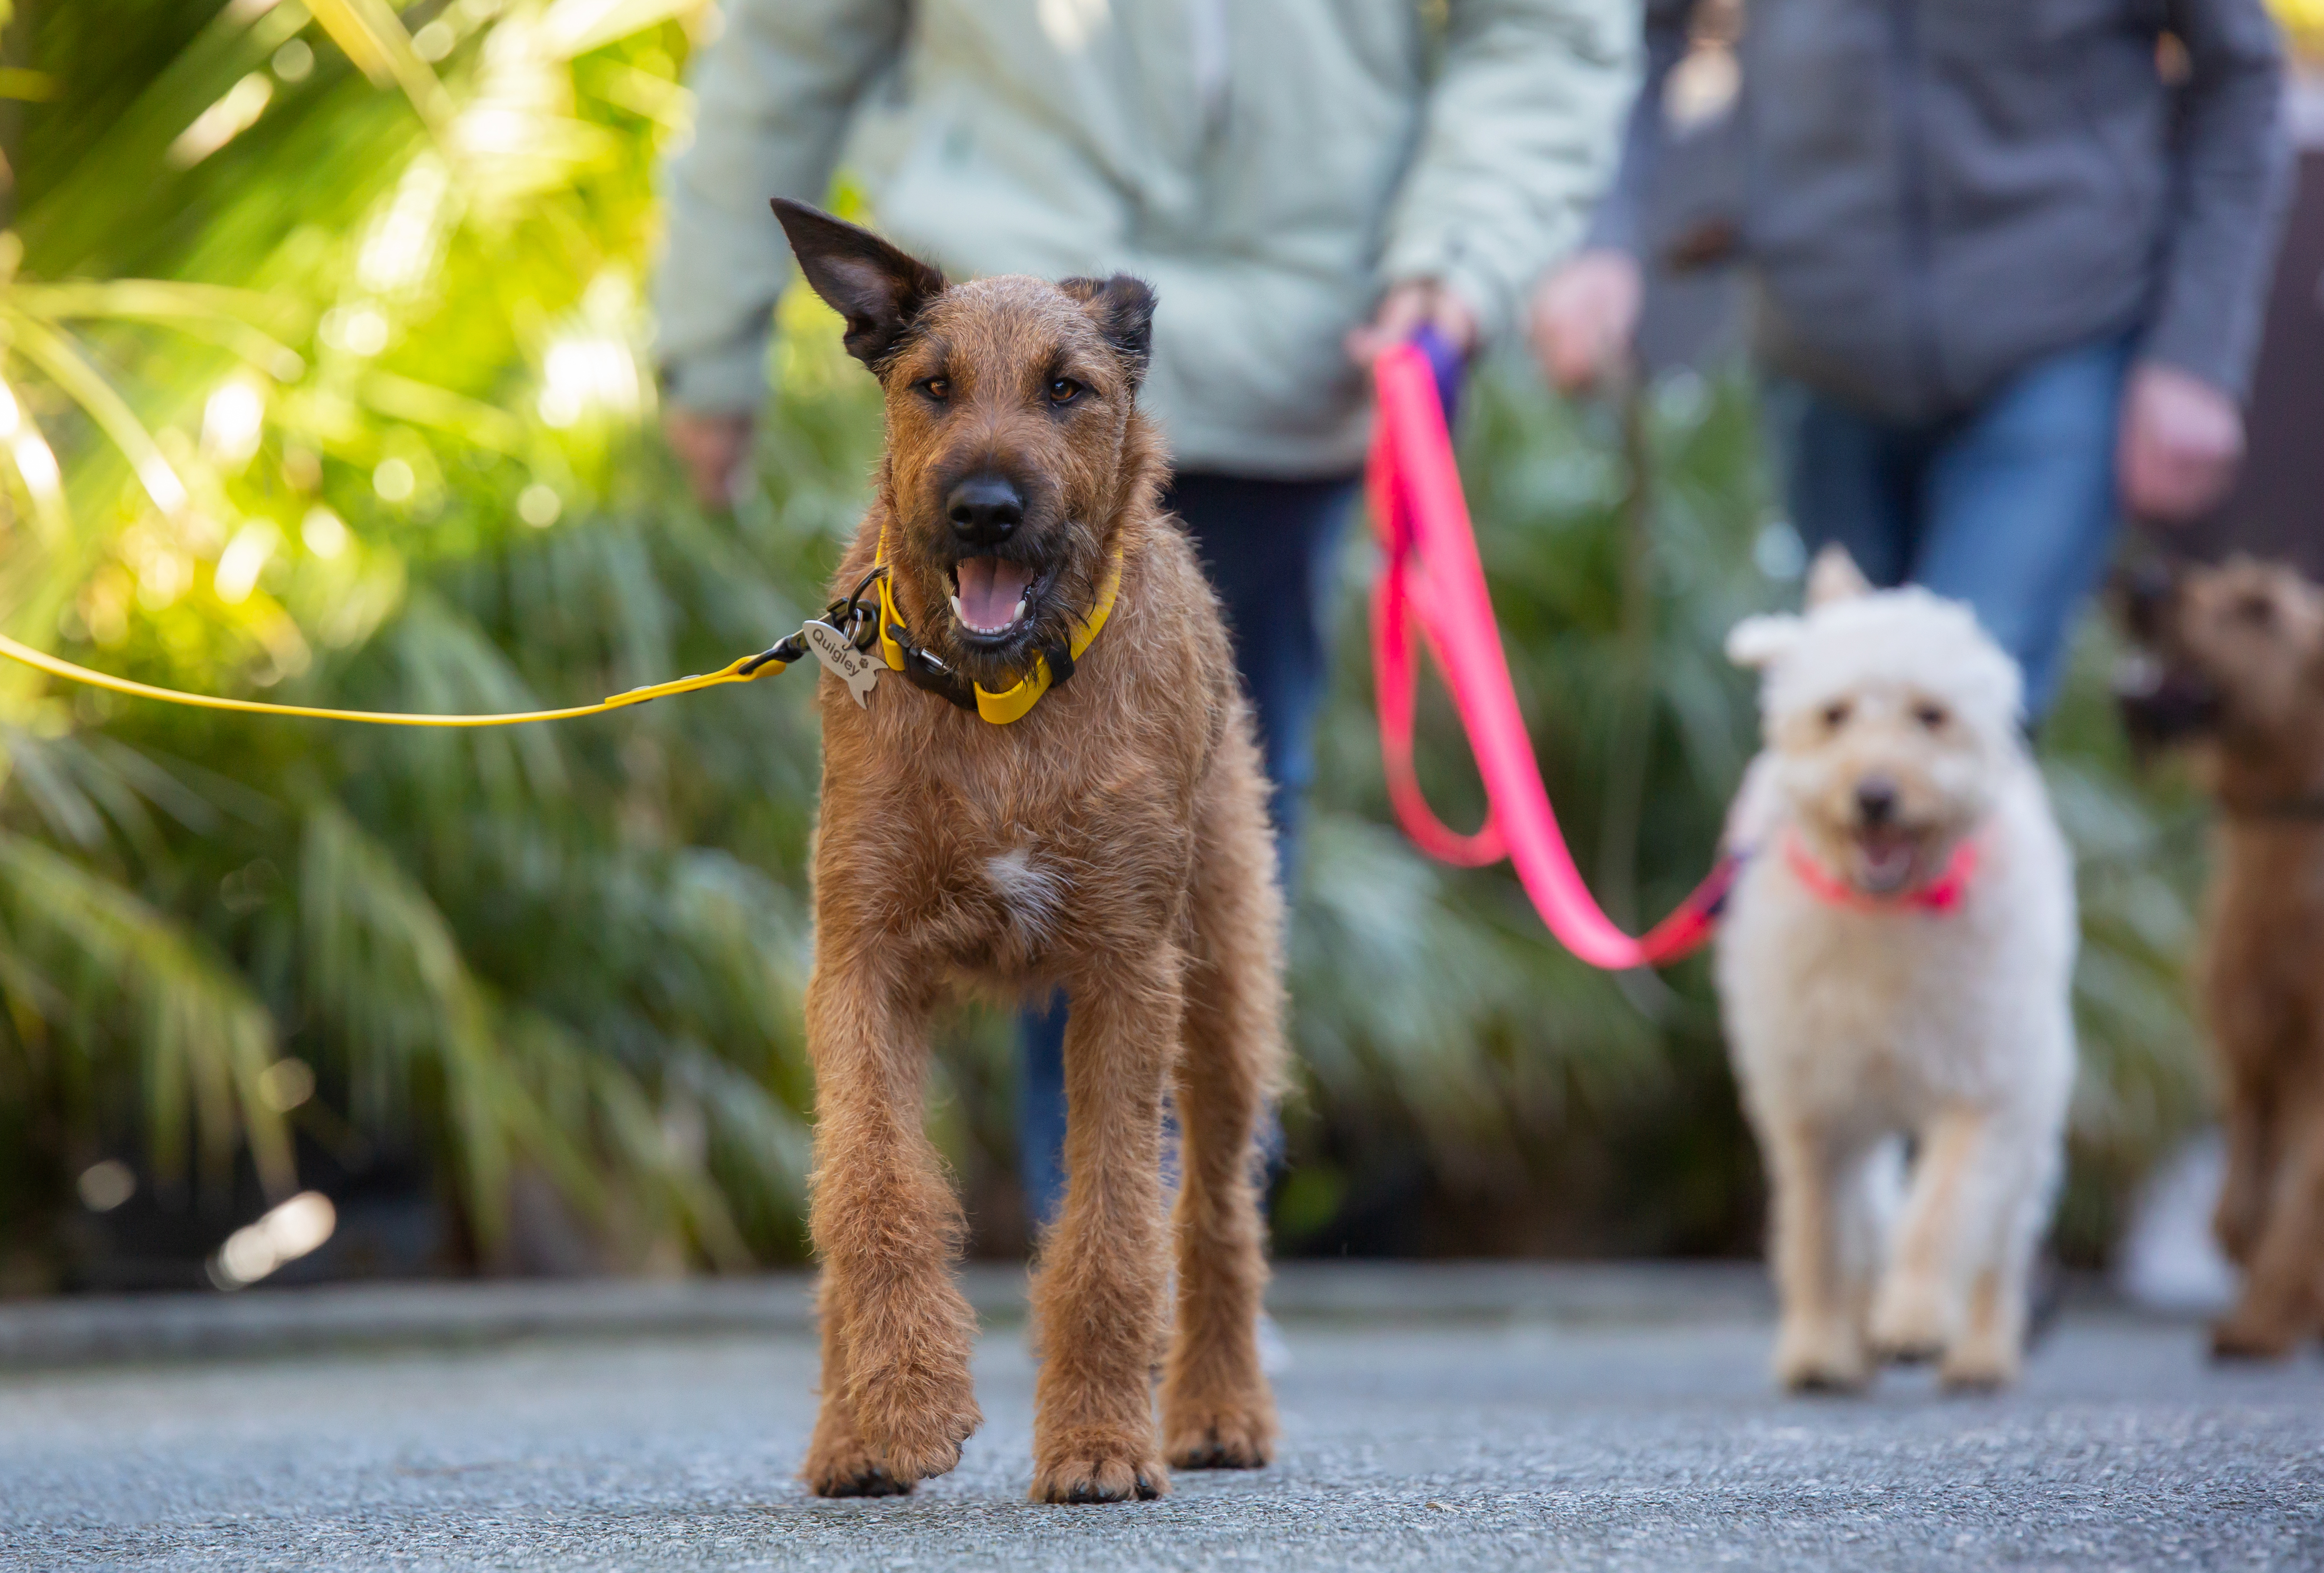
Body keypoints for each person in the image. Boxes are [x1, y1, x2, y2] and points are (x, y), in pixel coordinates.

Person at [654, 1, 1637, 1231]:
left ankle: (1168, 1254)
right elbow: (792, 36)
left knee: (1176, 875)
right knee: (988, 808)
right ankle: (1105, 1281)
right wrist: (708, 332)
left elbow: (1543, 29)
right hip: (994, 293)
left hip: (1308, 349)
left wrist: (1460, 259)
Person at [1532, 0, 2292, 715]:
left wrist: (2196, 351)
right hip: (1820, 347)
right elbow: (1631, 28)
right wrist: (1601, 237)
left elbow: (2243, 78)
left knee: (1959, 703)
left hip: (2058, 335)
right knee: (1845, 705)